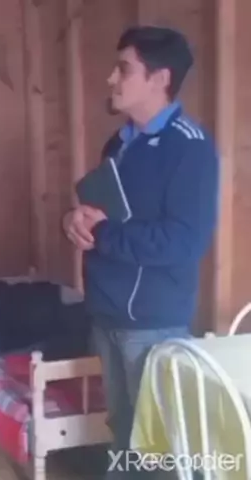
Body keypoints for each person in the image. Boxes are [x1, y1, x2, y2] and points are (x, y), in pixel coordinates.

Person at [62, 26, 219, 477]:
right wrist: (73, 221)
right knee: (123, 432)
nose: (111, 78)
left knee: (158, 445)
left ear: (159, 78)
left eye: (123, 69)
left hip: (153, 322)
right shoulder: (118, 144)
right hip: (106, 312)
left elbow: (184, 241)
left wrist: (105, 234)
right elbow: (102, 214)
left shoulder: (190, 148)